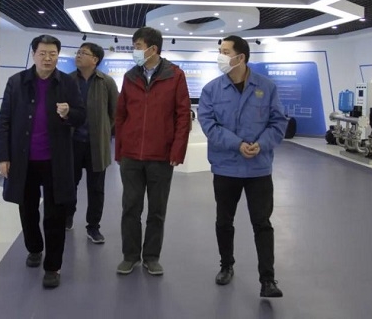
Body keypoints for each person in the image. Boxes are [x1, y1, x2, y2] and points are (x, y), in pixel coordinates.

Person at [197, 35, 287, 298]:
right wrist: (237, 145)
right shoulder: (212, 90)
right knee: (224, 221)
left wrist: (262, 144)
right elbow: (209, 125)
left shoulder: (266, 87)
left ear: (241, 57)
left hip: (258, 168)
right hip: (226, 167)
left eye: (225, 52)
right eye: (220, 51)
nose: (220, 56)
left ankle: (268, 280)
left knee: (262, 223)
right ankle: (226, 266)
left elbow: (278, 123)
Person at [0, 35, 85, 289]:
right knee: (28, 209)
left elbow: (81, 116)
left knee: (55, 214)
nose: (47, 58)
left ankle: (53, 266)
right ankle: (34, 248)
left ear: (58, 55)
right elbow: (4, 121)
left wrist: (69, 113)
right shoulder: (17, 82)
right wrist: (2, 156)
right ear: (33, 54)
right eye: (43, 53)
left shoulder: (68, 83)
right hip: (24, 159)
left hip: (56, 160)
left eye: (52, 54)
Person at [114, 26, 191, 276]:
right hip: (131, 156)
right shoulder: (130, 76)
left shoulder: (175, 75)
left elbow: (183, 116)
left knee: (157, 211)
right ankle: (130, 256)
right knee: (130, 208)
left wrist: (177, 150)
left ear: (152, 49)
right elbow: (121, 115)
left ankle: (151, 257)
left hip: (161, 156)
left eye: (137, 46)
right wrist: (120, 150)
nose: (134, 51)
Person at [66, 42, 119, 244]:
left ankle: (93, 227)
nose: (78, 55)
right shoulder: (68, 80)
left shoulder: (106, 82)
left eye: (83, 53)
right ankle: (67, 216)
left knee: (96, 189)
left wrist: (102, 129)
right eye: (78, 52)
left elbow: (114, 113)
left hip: (97, 144)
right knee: (69, 184)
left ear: (95, 59)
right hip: (72, 143)